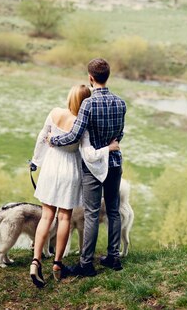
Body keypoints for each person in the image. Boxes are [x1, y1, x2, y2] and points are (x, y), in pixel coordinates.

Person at [29, 83, 120, 288]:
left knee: (46, 216)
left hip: (51, 167)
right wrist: (109, 147)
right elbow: (89, 154)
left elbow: (42, 138)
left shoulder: (54, 113)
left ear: (70, 97)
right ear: (85, 101)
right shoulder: (83, 124)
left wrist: (36, 160)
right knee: (64, 218)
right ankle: (57, 264)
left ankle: (35, 261)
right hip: (70, 171)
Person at [50, 57, 126, 277]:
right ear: (107, 76)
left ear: (91, 78)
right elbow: (119, 135)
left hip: (93, 166)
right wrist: (110, 145)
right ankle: (114, 258)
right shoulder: (121, 103)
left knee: (92, 213)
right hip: (114, 162)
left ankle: (86, 264)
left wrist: (53, 140)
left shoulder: (88, 104)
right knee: (113, 210)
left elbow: (75, 134)